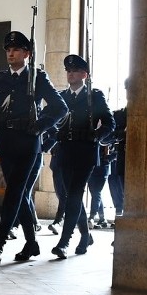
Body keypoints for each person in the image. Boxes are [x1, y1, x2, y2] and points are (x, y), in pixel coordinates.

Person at [0, 31, 67, 266]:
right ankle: (32, 243)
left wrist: (40, 126)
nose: (11, 53)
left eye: (16, 50)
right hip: (6, 142)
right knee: (20, 194)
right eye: (8, 50)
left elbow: (60, 107)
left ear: (27, 53)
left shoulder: (37, 78)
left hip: (28, 143)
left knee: (14, 193)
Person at [50, 54, 114, 259]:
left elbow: (109, 123)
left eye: (75, 71)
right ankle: (85, 235)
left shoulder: (94, 95)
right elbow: (53, 121)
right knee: (71, 197)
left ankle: (64, 241)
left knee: (75, 194)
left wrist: (96, 136)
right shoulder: (62, 97)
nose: (70, 74)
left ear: (84, 74)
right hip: (65, 152)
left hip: (85, 152)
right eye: (68, 71)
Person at [108, 78, 128, 218]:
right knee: (123, 196)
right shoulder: (119, 115)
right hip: (123, 160)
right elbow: (109, 135)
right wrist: (123, 133)